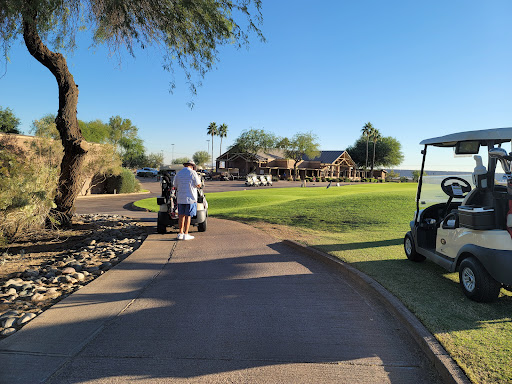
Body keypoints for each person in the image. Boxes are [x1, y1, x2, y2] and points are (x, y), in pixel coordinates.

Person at [173, 160, 202, 240]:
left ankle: (180, 233)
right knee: (188, 216)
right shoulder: (193, 173)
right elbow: (198, 185)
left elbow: (175, 186)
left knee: (181, 216)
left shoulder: (178, 174)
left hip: (180, 197)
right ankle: (186, 233)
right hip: (190, 198)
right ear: (192, 166)